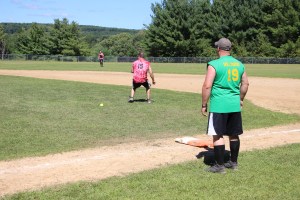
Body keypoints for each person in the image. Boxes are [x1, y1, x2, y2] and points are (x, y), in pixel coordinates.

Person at [201, 38, 249, 173]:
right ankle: (233, 163)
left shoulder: (214, 64)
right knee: (233, 134)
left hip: (218, 105)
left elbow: (207, 86)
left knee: (217, 135)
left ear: (218, 49)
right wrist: (240, 99)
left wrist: (204, 104)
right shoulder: (239, 64)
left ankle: (219, 166)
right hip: (234, 105)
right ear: (230, 49)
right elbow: (245, 84)